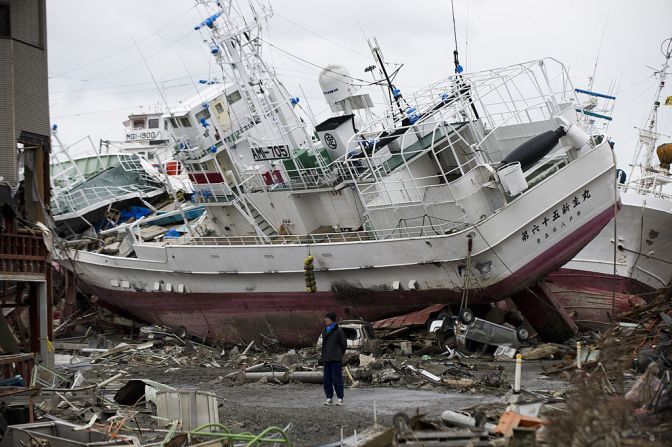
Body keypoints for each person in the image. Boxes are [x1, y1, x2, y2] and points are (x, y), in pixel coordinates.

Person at [320, 311, 347, 406]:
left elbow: (344, 344)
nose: (325, 320)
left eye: (327, 318)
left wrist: (339, 354)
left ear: (331, 319)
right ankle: (329, 398)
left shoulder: (339, 331)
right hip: (326, 358)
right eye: (325, 318)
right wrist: (322, 357)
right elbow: (324, 345)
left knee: (337, 379)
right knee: (327, 379)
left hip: (335, 358)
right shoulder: (324, 330)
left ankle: (340, 398)